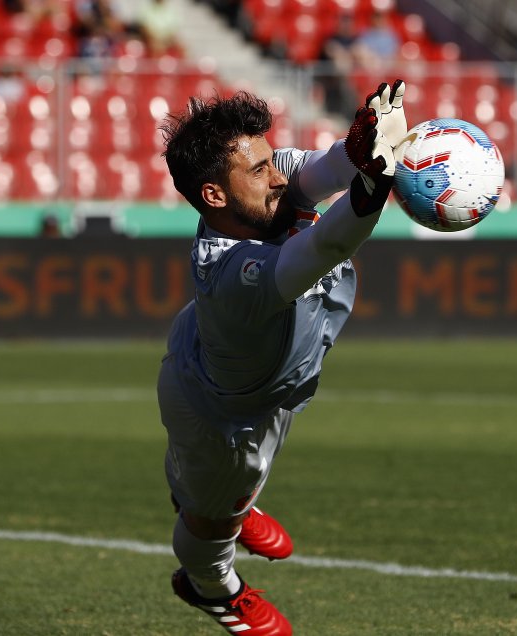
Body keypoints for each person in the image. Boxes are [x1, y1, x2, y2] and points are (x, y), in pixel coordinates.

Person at [156, 79, 407, 635]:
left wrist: (361, 148)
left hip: (218, 358)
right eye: (260, 171)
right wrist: (374, 184)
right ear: (214, 196)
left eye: (272, 161)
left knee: (209, 488)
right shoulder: (235, 277)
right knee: (207, 523)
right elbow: (326, 247)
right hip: (229, 419)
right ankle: (214, 590)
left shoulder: (260, 188)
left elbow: (322, 170)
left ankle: (221, 503)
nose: (278, 177)